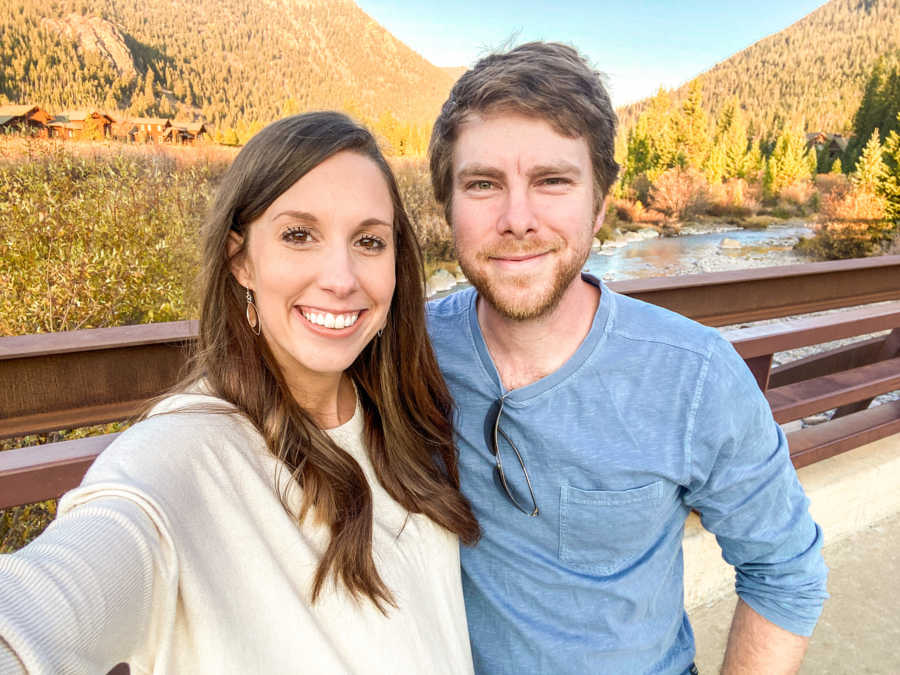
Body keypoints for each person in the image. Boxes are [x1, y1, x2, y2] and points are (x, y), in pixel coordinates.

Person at [0, 111, 480, 674]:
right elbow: (47, 605)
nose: (342, 277)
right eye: (299, 235)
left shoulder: (398, 416)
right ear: (241, 260)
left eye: (369, 241)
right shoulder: (181, 456)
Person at [426, 42, 828, 674]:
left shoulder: (694, 376)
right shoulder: (404, 351)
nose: (517, 219)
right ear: (447, 205)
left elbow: (784, 572)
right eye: (482, 184)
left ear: (601, 205)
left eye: (553, 181)